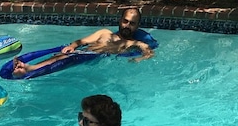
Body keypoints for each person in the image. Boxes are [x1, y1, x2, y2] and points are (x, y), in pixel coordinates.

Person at [11, 7, 154, 77]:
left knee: (62, 60)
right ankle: (28, 68)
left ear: (138, 25)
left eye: (132, 23)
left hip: (94, 57)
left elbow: (149, 52)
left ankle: (28, 69)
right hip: (84, 52)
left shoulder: (134, 43)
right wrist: (72, 46)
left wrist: (138, 59)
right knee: (59, 56)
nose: (127, 26)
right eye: (125, 21)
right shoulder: (104, 33)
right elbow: (82, 41)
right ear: (120, 20)